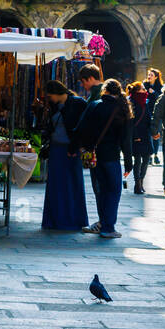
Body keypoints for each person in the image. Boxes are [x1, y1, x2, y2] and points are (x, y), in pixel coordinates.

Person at [71, 77, 129, 239]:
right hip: (112, 156)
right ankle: (108, 227)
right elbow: (125, 139)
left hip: (94, 156)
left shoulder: (94, 106)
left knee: (101, 191)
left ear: (105, 91)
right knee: (114, 190)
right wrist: (129, 164)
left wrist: (73, 148)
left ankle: (103, 223)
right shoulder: (121, 109)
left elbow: (80, 129)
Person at [39, 80, 89, 231]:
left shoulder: (78, 103)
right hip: (56, 149)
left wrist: (77, 146)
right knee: (55, 186)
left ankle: (72, 220)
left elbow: (83, 127)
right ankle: (55, 220)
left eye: (50, 95)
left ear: (57, 93)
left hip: (70, 149)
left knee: (71, 184)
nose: (50, 99)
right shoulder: (53, 106)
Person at [77, 64, 106, 233]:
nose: (83, 86)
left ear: (89, 79)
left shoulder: (97, 95)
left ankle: (103, 222)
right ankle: (104, 222)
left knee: (99, 187)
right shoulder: (100, 93)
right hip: (105, 148)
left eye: (83, 82)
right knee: (101, 187)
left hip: (97, 148)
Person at [127, 80, 152, 193]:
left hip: (145, 135)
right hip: (135, 134)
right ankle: (137, 184)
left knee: (146, 159)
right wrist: (135, 135)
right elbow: (130, 121)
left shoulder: (145, 102)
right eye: (142, 89)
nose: (145, 90)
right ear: (137, 91)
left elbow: (148, 117)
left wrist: (154, 131)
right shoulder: (130, 102)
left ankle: (141, 180)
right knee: (137, 160)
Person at [145, 68, 163, 165]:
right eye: (148, 74)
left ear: (156, 77)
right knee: (148, 135)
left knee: (156, 134)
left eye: (151, 75)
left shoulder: (160, 87)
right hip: (146, 113)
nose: (149, 76)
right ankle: (150, 155)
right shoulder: (144, 85)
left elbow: (161, 99)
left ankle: (155, 154)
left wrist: (154, 93)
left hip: (157, 114)